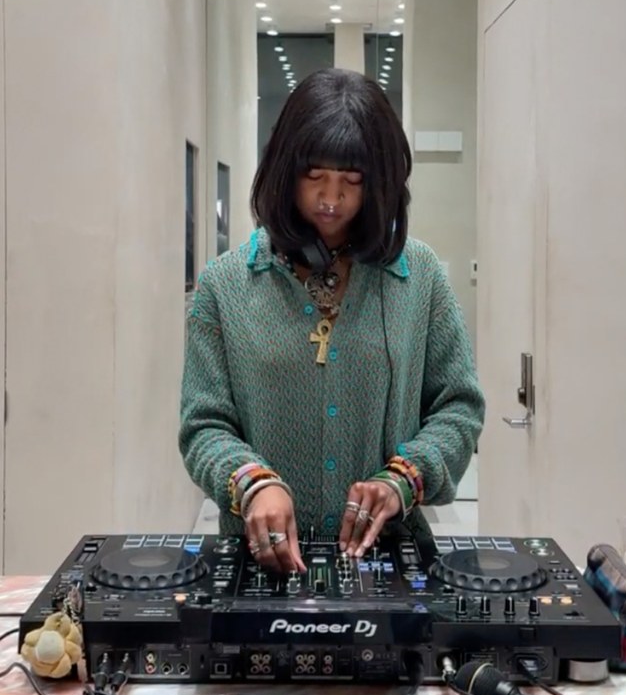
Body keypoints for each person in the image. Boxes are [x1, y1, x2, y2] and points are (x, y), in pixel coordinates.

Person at [179, 67, 484, 574]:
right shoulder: (224, 285)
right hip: (260, 564)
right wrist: (253, 481)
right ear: (283, 170)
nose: (330, 198)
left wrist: (403, 479)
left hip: (388, 561)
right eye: (314, 176)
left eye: (352, 182)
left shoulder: (420, 277)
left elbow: (459, 407)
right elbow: (203, 425)